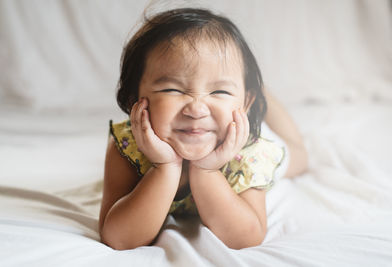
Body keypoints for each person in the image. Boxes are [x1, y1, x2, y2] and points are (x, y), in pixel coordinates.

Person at [99, 7, 307, 250]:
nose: (197, 109)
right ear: (135, 99)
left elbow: (246, 237)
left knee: (300, 157)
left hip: (234, 136)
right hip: (210, 128)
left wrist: (206, 172)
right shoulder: (128, 147)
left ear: (245, 103)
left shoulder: (251, 153)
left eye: (219, 91)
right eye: (172, 90)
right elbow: (119, 238)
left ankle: (262, 95)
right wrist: (166, 169)